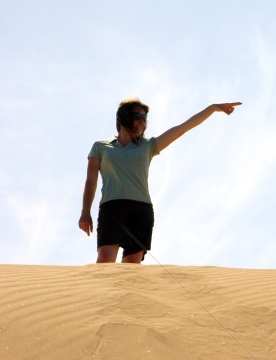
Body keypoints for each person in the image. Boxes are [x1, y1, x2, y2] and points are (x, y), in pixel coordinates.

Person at [79, 97, 241, 263]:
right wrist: (85, 212)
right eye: (138, 116)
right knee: (105, 260)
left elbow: (182, 128)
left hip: (141, 210)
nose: (142, 122)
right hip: (111, 208)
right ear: (123, 117)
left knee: (131, 267)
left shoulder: (148, 146)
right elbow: (90, 181)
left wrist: (213, 108)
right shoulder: (100, 147)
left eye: (144, 118)